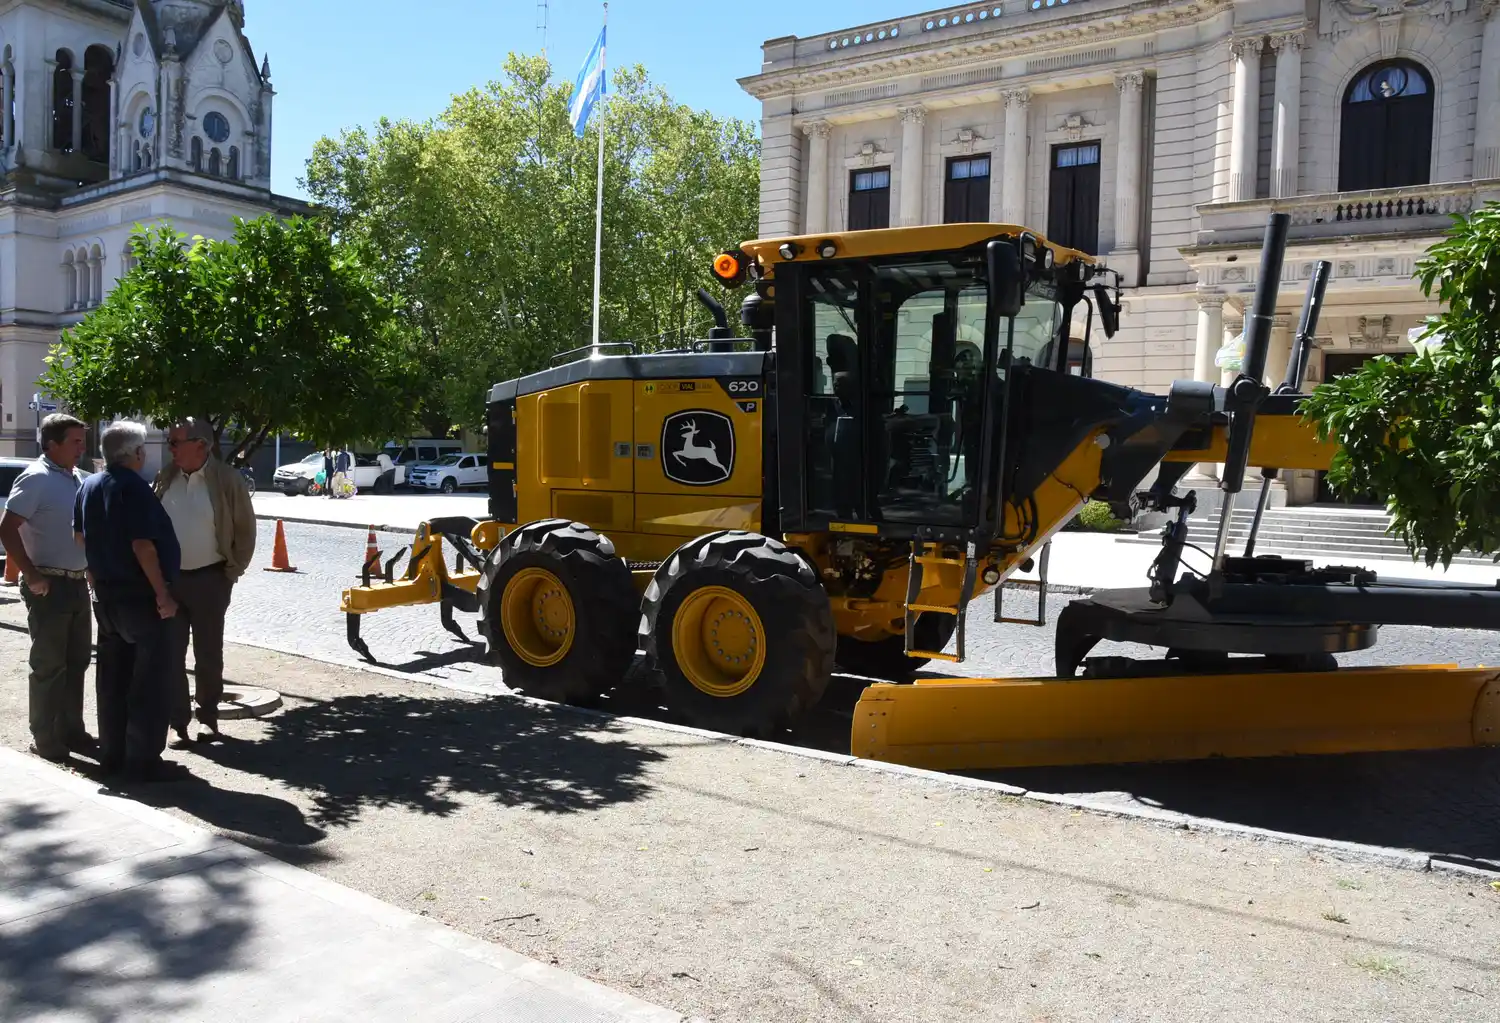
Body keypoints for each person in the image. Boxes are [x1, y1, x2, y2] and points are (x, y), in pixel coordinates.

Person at [76, 420, 184, 783]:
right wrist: (163, 593)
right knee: (149, 682)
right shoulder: (134, 488)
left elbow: (81, 539)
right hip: (140, 599)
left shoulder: (88, 485)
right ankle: (143, 762)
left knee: (113, 681)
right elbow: (143, 545)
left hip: (106, 597)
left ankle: (113, 754)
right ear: (136, 453)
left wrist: (94, 578)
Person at [0, 414, 95, 763]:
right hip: (48, 584)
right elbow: (7, 529)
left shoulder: (78, 479)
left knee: (77, 661)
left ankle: (71, 730)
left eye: (82, 441)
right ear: (52, 444)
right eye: (75, 441)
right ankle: (45, 737)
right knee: (49, 666)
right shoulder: (36, 478)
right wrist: (32, 575)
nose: (82, 448)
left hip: (76, 583)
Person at [155, 417, 256, 743]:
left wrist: (232, 571)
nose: (169, 448)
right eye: (169, 441)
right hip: (170, 581)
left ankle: (207, 717)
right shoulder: (166, 476)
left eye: (175, 442)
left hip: (211, 579)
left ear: (201, 444)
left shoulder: (226, 480)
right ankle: (178, 721)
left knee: (208, 654)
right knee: (170, 653)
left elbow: (245, 529)